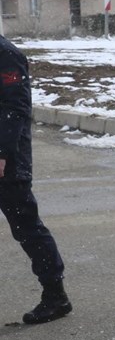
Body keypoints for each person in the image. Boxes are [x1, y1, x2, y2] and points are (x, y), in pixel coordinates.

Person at [0, 34, 72, 324]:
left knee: (27, 228)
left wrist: (2, 152)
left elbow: (15, 109)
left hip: (9, 162)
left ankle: (56, 296)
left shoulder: (6, 54)